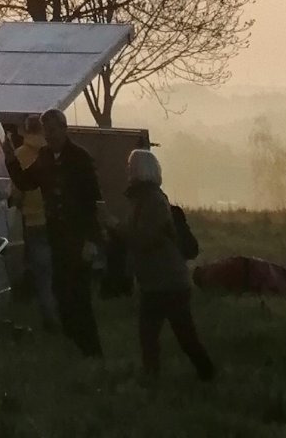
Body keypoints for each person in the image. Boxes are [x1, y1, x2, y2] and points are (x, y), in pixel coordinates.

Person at [124, 148, 214, 383]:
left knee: (173, 336)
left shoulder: (151, 201)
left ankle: (203, 374)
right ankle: (202, 375)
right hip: (161, 280)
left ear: (139, 170)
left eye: (130, 166)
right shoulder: (145, 199)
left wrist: (114, 227)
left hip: (166, 281)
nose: (127, 170)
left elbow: (144, 238)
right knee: (163, 336)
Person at [38, 108, 104, 358]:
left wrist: (91, 239)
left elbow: (92, 201)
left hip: (78, 238)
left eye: (52, 130)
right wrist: (11, 160)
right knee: (61, 294)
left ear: (64, 129)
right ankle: (77, 343)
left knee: (80, 297)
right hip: (56, 237)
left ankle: (92, 351)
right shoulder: (44, 156)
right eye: (46, 131)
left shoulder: (80, 158)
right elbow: (27, 181)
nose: (48, 135)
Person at [4, 118, 58, 331]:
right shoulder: (51, 153)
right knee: (58, 274)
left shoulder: (20, 155)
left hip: (33, 223)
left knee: (43, 277)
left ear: (25, 131)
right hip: (55, 221)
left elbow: (17, 192)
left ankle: (50, 321)